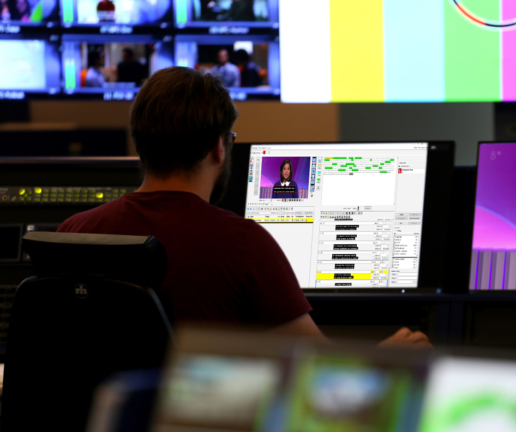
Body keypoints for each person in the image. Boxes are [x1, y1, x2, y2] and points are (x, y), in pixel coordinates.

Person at [57, 67, 429, 348]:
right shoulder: (242, 243)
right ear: (219, 147)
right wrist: (391, 354)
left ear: (141, 143)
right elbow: (316, 370)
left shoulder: (73, 234)